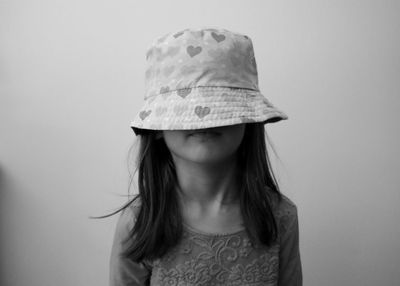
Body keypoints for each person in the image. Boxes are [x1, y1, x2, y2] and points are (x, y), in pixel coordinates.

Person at [109, 27, 302, 286]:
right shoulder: (138, 222)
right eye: (184, 111)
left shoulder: (280, 216)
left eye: (221, 109)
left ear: (250, 121)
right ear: (155, 128)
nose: (203, 121)